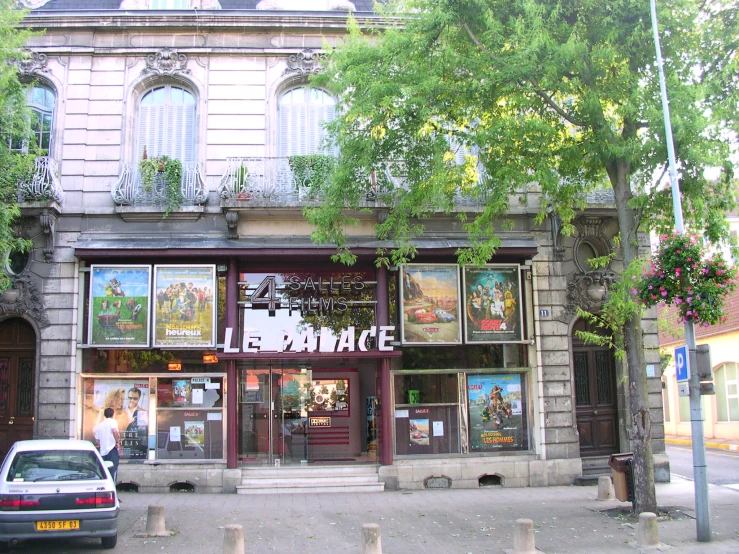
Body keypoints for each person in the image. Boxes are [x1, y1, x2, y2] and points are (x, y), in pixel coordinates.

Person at [94, 407, 122, 482]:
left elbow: (97, 440)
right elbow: (114, 431)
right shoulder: (112, 422)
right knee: (113, 470)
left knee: (104, 471)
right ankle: (112, 485)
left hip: (103, 451)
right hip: (112, 449)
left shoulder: (100, 425)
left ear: (104, 415)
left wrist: (103, 444)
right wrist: (117, 442)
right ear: (113, 414)